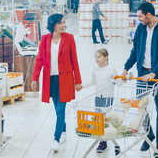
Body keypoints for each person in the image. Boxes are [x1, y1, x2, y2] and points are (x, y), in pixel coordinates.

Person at [120, 2, 158, 155]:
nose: (139, 19)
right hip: (142, 74)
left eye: (140, 16)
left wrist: (154, 73)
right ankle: (149, 134)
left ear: (148, 15)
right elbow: (135, 51)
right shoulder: (141, 29)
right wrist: (125, 69)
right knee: (139, 107)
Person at [31, 14, 82, 152]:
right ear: (53, 24)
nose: (63, 25)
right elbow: (39, 60)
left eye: (64, 22)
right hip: (51, 80)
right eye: (60, 23)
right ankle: (64, 131)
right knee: (57, 109)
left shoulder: (69, 38)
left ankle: (56, 139)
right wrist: (34, 78)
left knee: (61, 110)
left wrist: (78, 81)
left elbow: (74, 61)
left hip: (65, 79)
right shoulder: (44, 39)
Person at [79, 48, 117, 153]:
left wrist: (123, 79)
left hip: (108, 97)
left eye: (99, 56)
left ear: (106, 57)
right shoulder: (95, 69)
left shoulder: (111, 69)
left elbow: (118, 80)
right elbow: (93, 82)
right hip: (98, 97)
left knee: (105, 119)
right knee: (98, 118)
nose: (97, 59)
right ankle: (102, 139)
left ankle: (103, 142)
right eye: (96, 57)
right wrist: (82, 86)